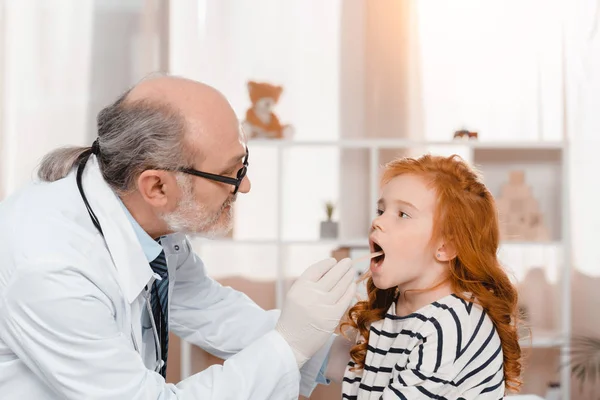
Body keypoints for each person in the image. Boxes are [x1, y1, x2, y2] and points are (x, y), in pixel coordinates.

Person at [0, 75, 357, 399]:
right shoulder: (51, 268)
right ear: (156, 186)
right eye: (229, 174)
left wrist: (334, 351)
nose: (244, 186)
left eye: (243, 164)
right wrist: (289, 345)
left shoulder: (144, 217)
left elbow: (209, 309)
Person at [336, 154, 522, 399]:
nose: (377, 221)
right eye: (381, 210)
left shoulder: (452, 326)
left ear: (445, 247)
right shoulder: (387, 314)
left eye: (403, 214)